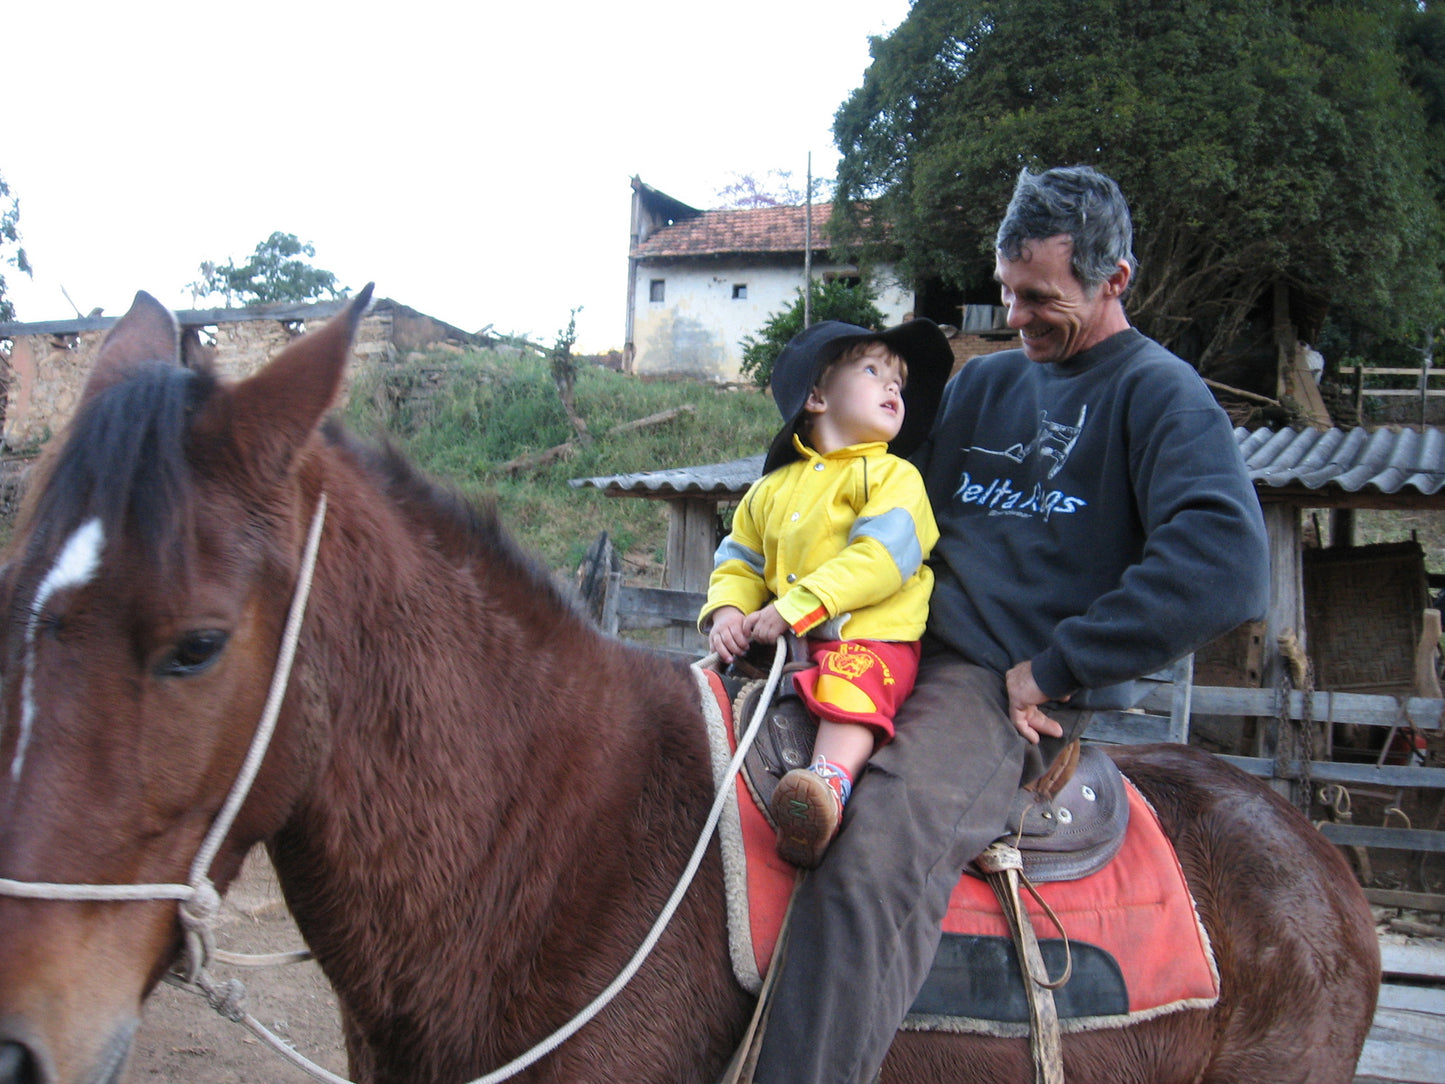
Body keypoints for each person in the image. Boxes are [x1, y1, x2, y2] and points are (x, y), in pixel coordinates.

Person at [750, 165, 1272, 1082]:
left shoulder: (1159, 395)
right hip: (871, 637)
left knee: (873, 859)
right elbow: (858, 482)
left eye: (1039, 297)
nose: (1015, 315)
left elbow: (1224, 563)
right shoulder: (984, 388)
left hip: (986, 685)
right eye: (1005, 291)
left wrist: (1060, 665)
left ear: (1114, 280)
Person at [700, 318, 953, 868]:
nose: (893, 388)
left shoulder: (895, 479)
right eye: (873, 371)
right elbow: (740, 558)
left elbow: (881, 558)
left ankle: (826, 785)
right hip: (784, 642)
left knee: (854, 679)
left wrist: (795, 607)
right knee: (704, 691)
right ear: (816, 396)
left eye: (899, 384)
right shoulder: (768, 489)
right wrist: (728, 612)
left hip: (869, 636)